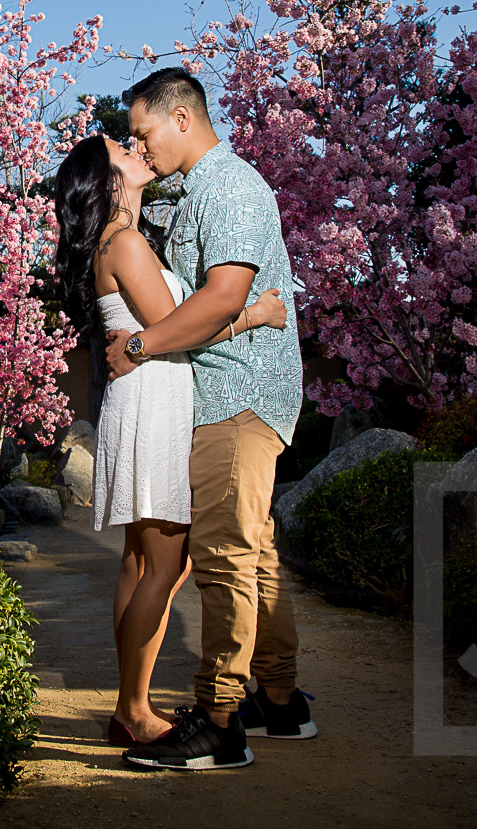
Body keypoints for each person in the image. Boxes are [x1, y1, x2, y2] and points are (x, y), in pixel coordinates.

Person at [102, 67, 313, 772]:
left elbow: (224, 298)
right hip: (221, 390)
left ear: (183, 119)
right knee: (252, 551)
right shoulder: (193, 194)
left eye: (144, 132)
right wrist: (130, 190)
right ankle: (280, 701)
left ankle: (219, 721)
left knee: (223, 557)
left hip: (241, 393)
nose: (140, 146)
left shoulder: (231, 186)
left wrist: (138, 346)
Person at [51, 134, 288, 751]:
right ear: (108, 180)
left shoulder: (126, 239)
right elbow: (174, 332)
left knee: (140, 560)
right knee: (166, 562)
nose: (135, 147)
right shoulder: (124, 242)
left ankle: (132, 703)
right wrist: (254, 315)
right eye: (120, 149)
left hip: (144, 398)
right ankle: (135, 709)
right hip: (153, 401)